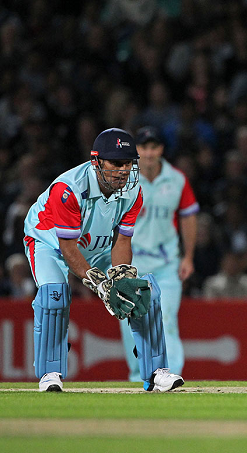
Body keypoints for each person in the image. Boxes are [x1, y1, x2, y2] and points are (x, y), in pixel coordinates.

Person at [23, 127, 184, 392]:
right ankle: (50, 373)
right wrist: (98, 284)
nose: (123, 171)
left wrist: (120, 274)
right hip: (49, 243)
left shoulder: (134, 192)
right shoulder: (68, 189)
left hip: (97, 246)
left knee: (141, 291)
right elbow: (68, 249)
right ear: (96, 162)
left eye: (129, 164)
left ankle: (156, 372)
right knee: (54, 295)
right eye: (116, 163)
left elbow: (122, 241)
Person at [119, 126, 199, 381]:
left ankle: (171, 374)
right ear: (137, 151)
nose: (149, 153)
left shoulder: (176, 179)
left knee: (166, 319)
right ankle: (138, 376)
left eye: (154, 147)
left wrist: (188, 257)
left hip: (167, 264)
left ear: (161, 149)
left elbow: (189, 218)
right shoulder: (124, 179)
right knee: (130, 321)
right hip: (131, 263)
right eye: (144, 148)